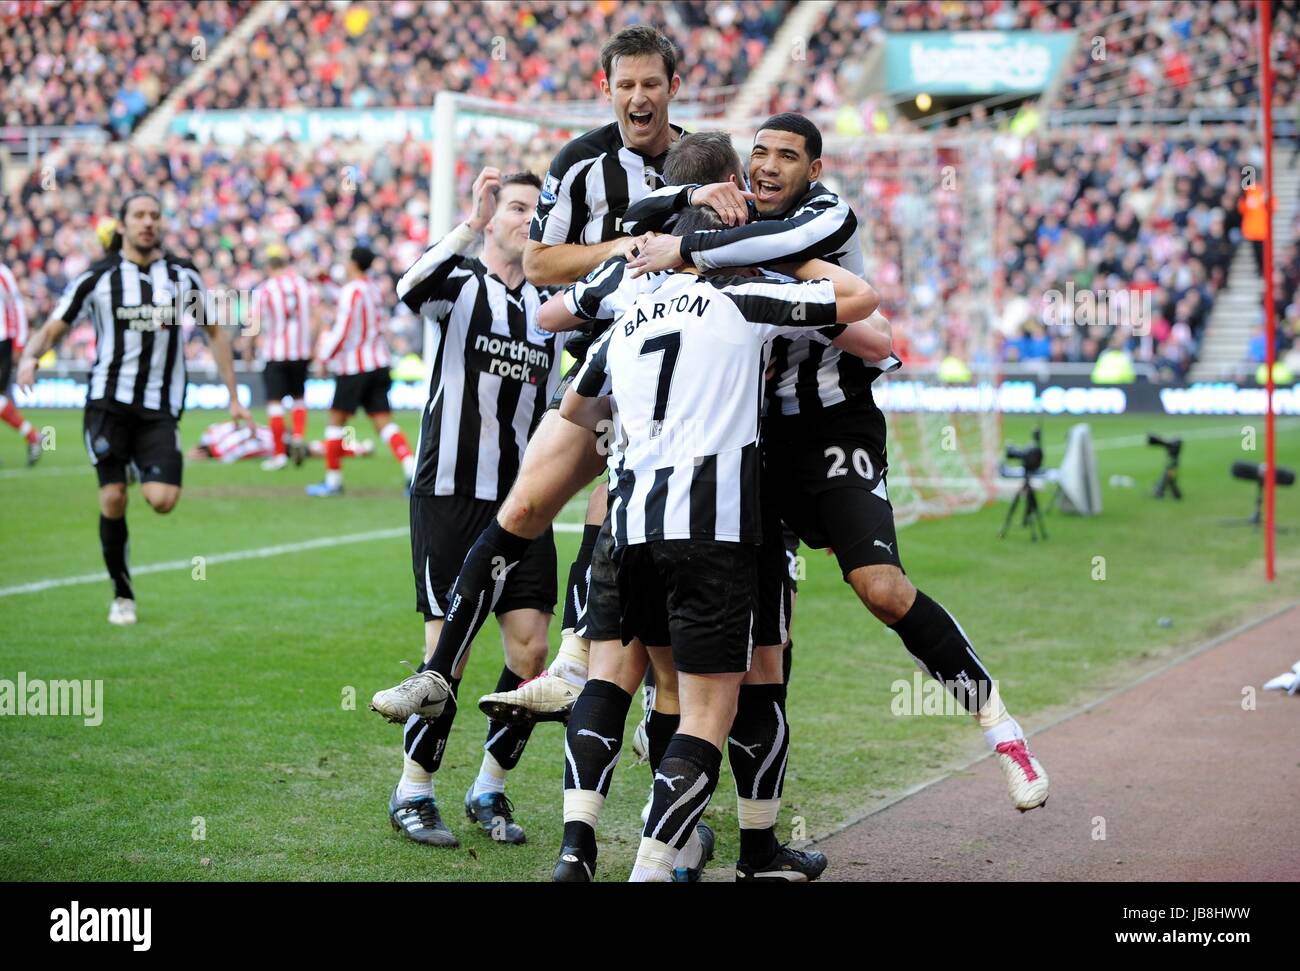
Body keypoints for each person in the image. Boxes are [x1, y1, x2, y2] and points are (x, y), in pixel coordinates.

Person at [624, 113, 1050, 817]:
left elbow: (831, 290)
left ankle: (1001, 727)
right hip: (747, 441)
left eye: (786, 157)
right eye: (758, 153)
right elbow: (631, 220)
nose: (768, 166)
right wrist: (691, 208)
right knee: (761, 650)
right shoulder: (724, 207)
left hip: (830, 428)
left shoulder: (824, 215)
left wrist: (698, 246)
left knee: (881, 587)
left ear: (812, 171)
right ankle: (730, 827)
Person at [558, 205, 881, 881]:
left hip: (627, 525)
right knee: (712, 710)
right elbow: (860, 300)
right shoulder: (740, 293)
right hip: (712, 529)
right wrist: (774, 256)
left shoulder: (629, 308)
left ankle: (575, 851)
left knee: (612, 676)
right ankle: (651, 870)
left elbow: (575, 408)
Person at [381, 168, 575, 847]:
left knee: (531, 649)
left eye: (534, 209)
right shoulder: (459, 287)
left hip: (524, 498)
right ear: (492, 217)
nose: (524, 218)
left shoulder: (552, 311)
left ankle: (489, 784)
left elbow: (559, 404)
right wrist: (467, 221)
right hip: (449, 493)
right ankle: (413, 789)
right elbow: (407, 287)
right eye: (514, 207)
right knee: (446, 651)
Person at [16, 191, 249, 624]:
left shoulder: (183, 276)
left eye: (155, 216)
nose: (148, 222)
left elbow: (214, 333)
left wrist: (234, 395)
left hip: (160, 408)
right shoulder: (98, 277)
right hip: (108, 404)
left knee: (162, 500)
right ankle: (123, 594)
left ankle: (137, 466)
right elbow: (54, 326)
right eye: (139, 215)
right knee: (113, 498)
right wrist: (30, 356)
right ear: (122, 224)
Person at [307, 246, 414, 496]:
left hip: (355, 366)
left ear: (353, 263)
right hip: (379, 363)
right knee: (383, 423)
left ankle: (333, 481)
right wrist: (325, 281)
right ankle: (411, 471)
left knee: (335, 420)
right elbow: (345, 293)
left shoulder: (351, 291)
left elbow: (343, 329)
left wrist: (324, 358)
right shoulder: (372, 288)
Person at [249, 244, 316, 470]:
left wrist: (248, 350)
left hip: (275, 352)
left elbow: (254, 324)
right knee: (298, 398)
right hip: (301, 352)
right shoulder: (303, 286)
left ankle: (279, 454)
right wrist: (313, 346)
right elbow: (316, 319)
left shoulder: (265, 289)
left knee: (275, 404)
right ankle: (297, 435)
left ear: (268, 264)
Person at [0, 260, 42, 466]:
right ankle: (33, 435)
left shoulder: (3, 274)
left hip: (2, 342)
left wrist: (18, 343)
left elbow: (16, 308)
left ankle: (33, 435)